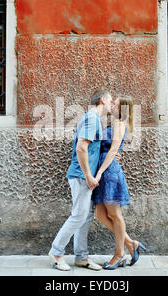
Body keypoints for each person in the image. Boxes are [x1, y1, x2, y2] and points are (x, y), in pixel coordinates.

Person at [48, 90, 113, 271]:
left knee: (85, 217)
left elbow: (90, 149)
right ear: (102, 100)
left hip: (83, 176)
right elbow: (81, 148)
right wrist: (88, 176)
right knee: (78, 215)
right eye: (110, 101)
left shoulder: (93, 119)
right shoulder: (92, 119)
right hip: (80, 176)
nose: (112, 104)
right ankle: (56, 252)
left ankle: (81, 257)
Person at [91, 95, 147, 270]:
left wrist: (99, 172)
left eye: (115, 103)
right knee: (100, 215)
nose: (112, 104)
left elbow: (114, 149)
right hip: (103, 168)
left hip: (108, 173)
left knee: (115, 215)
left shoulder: (119, 124)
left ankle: (119, 253)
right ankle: (132, 243)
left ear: (122, 108)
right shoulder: (112, 123)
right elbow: (108, 148)